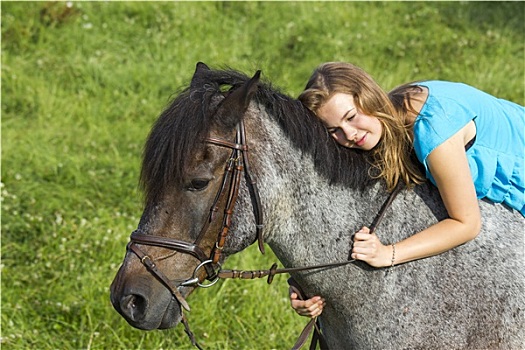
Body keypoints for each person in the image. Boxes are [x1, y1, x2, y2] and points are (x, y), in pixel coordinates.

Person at [290, 62, 525, 318]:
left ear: (368, 97)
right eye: (334, 130)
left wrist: (388, 254)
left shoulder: (432, 128)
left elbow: (466, 223)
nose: (349, 134)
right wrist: (303, 284)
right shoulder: (377, 127)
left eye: (351, 117)